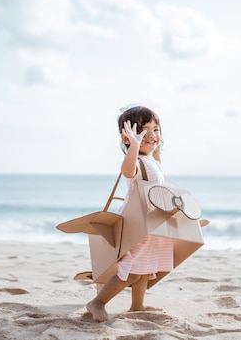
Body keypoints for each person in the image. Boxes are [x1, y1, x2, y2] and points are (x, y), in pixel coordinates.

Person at [86, 106, 174, 322]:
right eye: (143, 131)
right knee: (132, 268)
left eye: (156, 129)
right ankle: (97, 302)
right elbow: (127, 171)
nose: (152, 134)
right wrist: (134, 146)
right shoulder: (135, 162)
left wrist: (156, 149)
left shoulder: (151, 160)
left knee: (146, 265)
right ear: (127, 139)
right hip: (136, 223)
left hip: (151, 222)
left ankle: (137, 304)